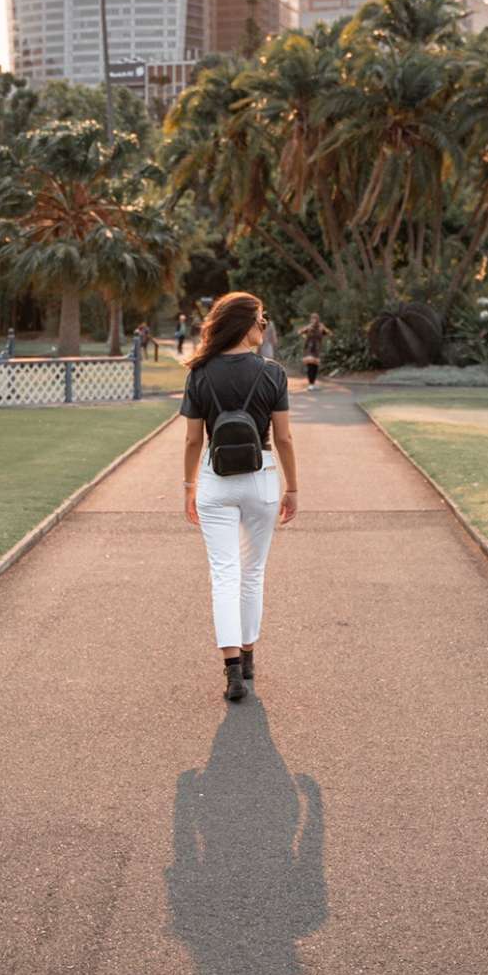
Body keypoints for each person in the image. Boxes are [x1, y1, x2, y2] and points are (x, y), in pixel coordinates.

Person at [181, 292, 298, 703]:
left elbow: (194, 439)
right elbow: (282, 437)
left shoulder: (199, 373)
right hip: (262, 478)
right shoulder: (272, 373)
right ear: (245, 324)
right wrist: (294, 488)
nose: (263, 329)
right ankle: (248, 656)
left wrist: (188, 487)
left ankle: (231, 667)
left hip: (216, 479)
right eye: (261, 321)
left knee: (224, 573)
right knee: (253, 573)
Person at [300, 313, 331, 390]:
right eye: (313, 318)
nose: (314, 320)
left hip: (316, 350)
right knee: (310, 367)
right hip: (309, 349)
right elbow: (300, 332)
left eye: (315, 319)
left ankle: (312, 384)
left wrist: (323, 329)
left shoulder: (320, 327)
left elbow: (329, 333)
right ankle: (311, 384)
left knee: (315, 367)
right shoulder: (309, 327)